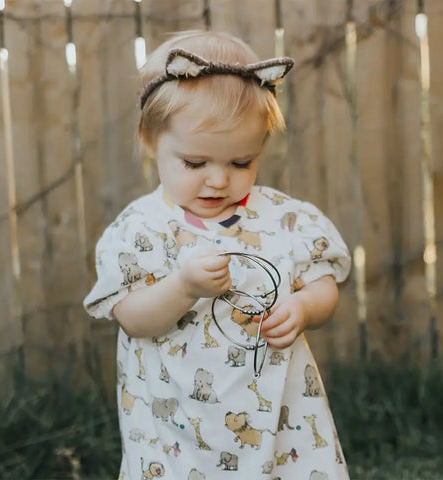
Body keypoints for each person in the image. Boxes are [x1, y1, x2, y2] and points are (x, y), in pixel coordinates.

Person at [84, 30, 351, 480]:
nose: (218, 181)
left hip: (277, 416)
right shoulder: (138, 230)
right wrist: (182, 287)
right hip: (173, 426)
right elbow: (133, 317)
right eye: (195, 163)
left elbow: (325, 284)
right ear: (150, 142)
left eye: (240, 163)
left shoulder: (283, 218)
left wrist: (305, 307)